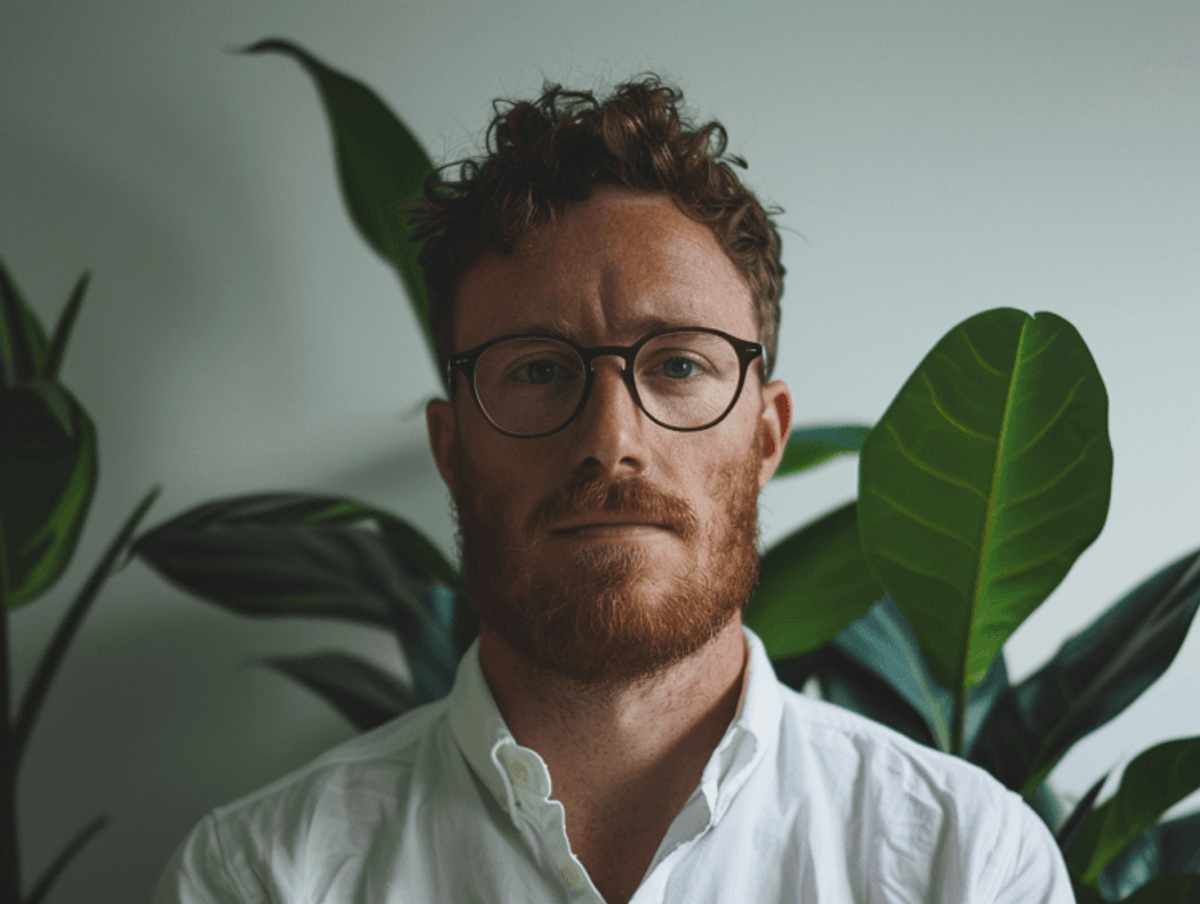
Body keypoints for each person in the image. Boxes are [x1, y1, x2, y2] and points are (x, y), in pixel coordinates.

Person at [155, 76, 1074, 903]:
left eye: (678, 363)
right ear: (451, 446)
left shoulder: (966, 865)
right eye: (540, 371)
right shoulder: (262, 877)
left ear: (766, 435)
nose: (611, 440)